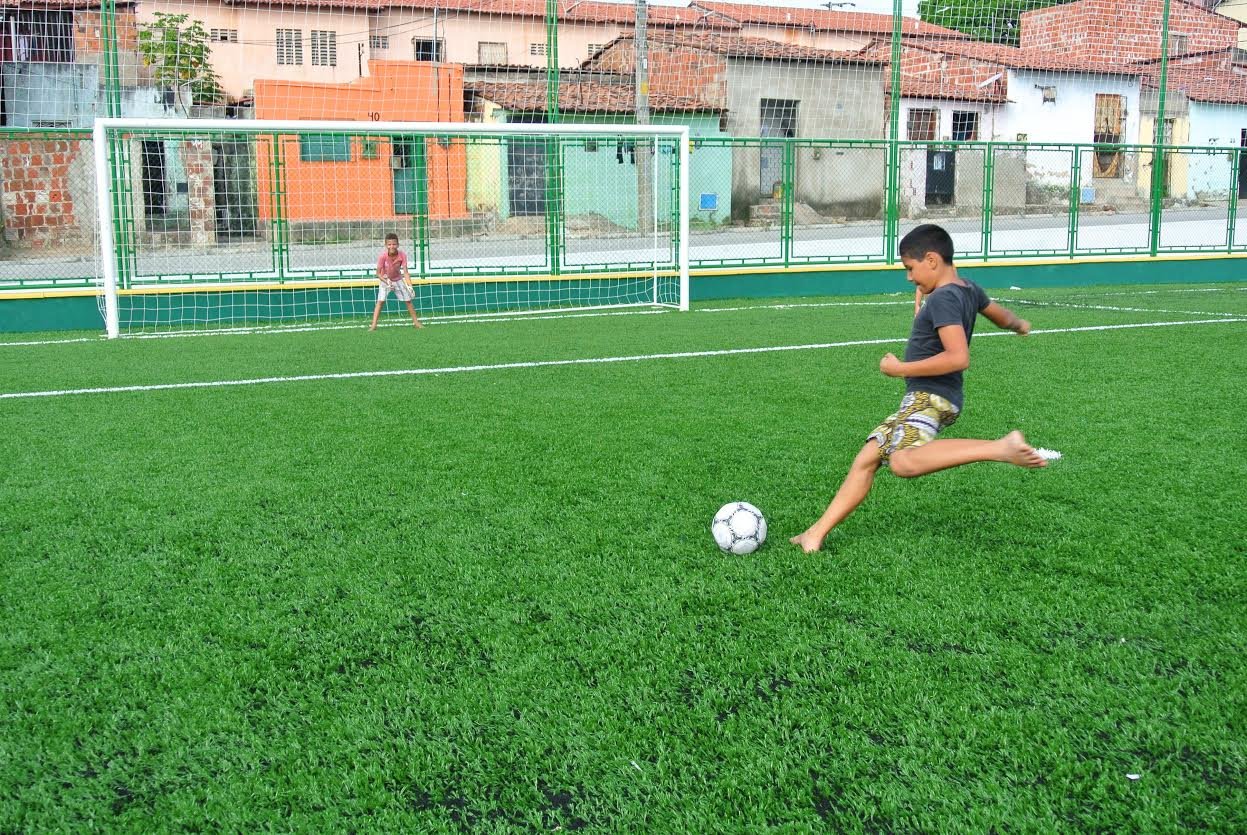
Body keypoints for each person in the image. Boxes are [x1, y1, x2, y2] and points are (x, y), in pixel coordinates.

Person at [790, 223, 1047, 554]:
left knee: (902, 462)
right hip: (924, 398)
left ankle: (1000, 448)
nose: (910, 278)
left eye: (910, 269)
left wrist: (900, 369)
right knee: (868, 457)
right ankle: (815, 533)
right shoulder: (968, 289)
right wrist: (1018, 324)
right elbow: (1000, 316)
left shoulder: (943, 298)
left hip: (930, 397)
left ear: (931, 260)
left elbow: (958, 357)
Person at [370, 233, 423, 331]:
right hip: (385, 280)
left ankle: (416, 323)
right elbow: (378, 273)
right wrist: (386, 281)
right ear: (386, 246)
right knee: (380, 302)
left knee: (408, 301)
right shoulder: (382, 257)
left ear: (398, 245)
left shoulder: (402, 255)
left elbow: (406, 272)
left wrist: (410, 286)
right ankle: (373, 325)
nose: (392, 246)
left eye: (394, 244)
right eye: (389, 244)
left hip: (398, 279)